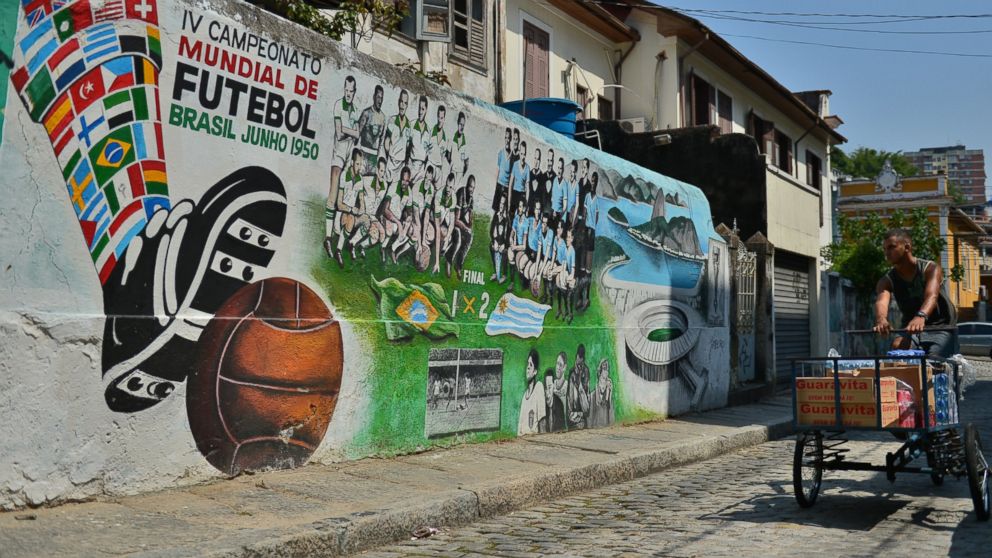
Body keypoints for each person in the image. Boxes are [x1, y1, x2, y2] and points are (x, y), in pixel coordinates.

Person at [873, 228, 957, 357]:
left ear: (907, 247)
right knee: (897, 348)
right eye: (885, 249)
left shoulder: (930, 268)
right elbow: (881, 301)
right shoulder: (886, 280)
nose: (887, 253)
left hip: (941, 327)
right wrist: (881, 320)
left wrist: (921, 316)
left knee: (934, 359)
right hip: (910, 327)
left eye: (891, 247)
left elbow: (932, 296)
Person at [518, 349, 547, 436]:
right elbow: (520, 427)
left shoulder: (538, 387)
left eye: (531, 365)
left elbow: (542, 421)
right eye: (527, 364)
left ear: (535, 371)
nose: (528, 367)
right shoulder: (524, 396)